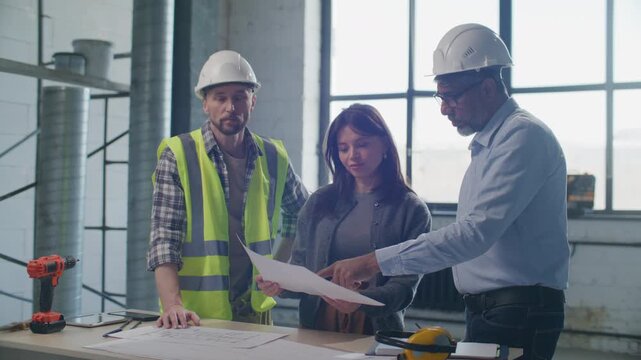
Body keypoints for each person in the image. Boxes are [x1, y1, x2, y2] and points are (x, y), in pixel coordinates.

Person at [318, 24, 569, 359]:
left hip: (518, 310)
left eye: (451, 96)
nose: (443, 108)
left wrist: (372, 262)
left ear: (489, 88)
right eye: (441, 97)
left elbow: (472, 235)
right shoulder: (489, 145)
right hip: (494, 310)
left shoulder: (522, 138)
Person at [147, 50, 309, 328]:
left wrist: (279, 269)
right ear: (205, 104)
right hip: (194, 316)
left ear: (252, 101)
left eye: (239, 97)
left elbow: (304, 215)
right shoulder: (179, 154)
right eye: (220, 97)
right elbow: (164, 240)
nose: (230, 107)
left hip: (255, 311)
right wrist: (173, 305)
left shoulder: (273, 156)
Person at [257, 104, 431, 335]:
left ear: (385, 146)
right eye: (343, 148)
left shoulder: (411, 210)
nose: (352, 156)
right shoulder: (319, 202)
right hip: (316, 324)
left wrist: (361, 300)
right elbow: (302, 270)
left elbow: (404, 288)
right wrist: (281, 284)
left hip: (376, 328)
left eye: (362, 144)